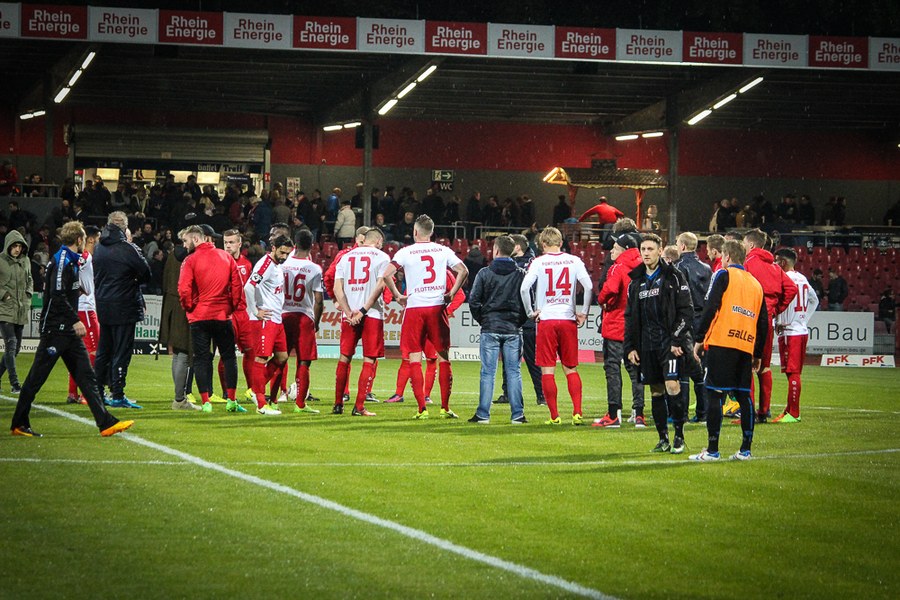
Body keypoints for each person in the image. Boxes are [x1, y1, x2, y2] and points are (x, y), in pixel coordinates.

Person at [10, 222, 134, 438]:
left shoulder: (70, 260)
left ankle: (105, 423)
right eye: (84, 238)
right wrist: (75, 320)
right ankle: (19, 423)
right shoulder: (62, 261)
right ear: (79, 239)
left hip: (67, 332)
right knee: (36, 378)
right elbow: (57, 296)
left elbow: (63, 291)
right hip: (55, 330)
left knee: (87, 377)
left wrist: (77, 295)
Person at [382, 214, 468, 419]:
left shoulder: (405, 251)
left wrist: (397, 295)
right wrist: (451, 293)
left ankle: (422, 409)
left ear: (415, 231)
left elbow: (386, 274)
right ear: (431, 232)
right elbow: (463, 271)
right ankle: (445, 408)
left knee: (414, 357)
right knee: (443, 356)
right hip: (437, 307)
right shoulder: (443, 250)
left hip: (415, 308)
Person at [690, 240, 768, 461]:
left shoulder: (723, 275)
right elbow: (763, 322)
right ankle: (745, 450)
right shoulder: (756, 284)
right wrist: (758, 354)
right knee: (744, 396)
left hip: (722, 342)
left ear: (727, 256)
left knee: (715, 394)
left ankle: (712, 450)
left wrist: (699, 338)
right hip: (745, 346)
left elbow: (711, 306)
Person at [624, 233, 693, 453]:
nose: (646, 253)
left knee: (672, 385)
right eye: (643, 249)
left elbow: (686, 311)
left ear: (660, 250)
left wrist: (676, 339)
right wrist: (630, 347)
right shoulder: (636, 282)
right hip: (647, 345)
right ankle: (663, 438)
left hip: (669, 344)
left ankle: (679, 436)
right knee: (655, 391)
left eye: (650, 249)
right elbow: (630, 317)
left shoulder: (674, 276)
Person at [520, 226, 593, 426]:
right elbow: (588, 286)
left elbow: (524, 288)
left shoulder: (538, 262)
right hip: (568, 319)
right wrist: (584, 312)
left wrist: (530, 312)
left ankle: (554, 416)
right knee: (571, 368)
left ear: (543, 244)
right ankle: (577, 412)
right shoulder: (574, 260)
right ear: (561, 243)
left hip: (547, 320)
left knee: (547, 370)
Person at [177, 225, 243, 414]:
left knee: (201, 358)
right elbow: (237, 286)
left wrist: (190, 308)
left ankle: (206, 402)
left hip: (199, 317)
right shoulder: (226, 257)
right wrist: (231, 307)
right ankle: (231, 400)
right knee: (229, 357)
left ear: (196, 239)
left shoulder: (190, 260)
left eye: (186, 241)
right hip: (222, 316)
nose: (184, 245)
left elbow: (183, 289)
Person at [93, 211, 152, 409]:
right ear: (125, 227)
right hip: (125, 305)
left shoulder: (99, 248)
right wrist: (133, 280)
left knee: (104, 350)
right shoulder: (127, 249)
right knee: (121, 351)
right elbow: (146, 273)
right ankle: (117, 394)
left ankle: (97, 392)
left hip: (103, 304)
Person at [468, 235, 528, 424]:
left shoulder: (484, 273)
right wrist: (518, 321)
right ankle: (517, 414)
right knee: (514, 372)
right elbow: (527, 303)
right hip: (512, 329)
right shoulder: (521, 274)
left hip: (490, 327)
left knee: (488, 372)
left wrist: (484, 320)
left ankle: (483, 414)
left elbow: (474, 301)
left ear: (495, 250)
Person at [333, 228, 391, 417]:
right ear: (379, 241)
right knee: (369, 359)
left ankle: (337, 404)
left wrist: (348, 311)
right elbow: (380, 286)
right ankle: (359, 406)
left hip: (349, 315)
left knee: (344, 358)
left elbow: (337, 288)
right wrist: (363, 310)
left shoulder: (345, 257)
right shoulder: (382, 257)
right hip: (371, 314)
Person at [742, 229, 798, 422]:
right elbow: (791, 289)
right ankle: (764, 411)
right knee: (764, 367)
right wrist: (776, 309)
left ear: (751, 245)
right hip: (768, 320)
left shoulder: (748, 263)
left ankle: (748, 413)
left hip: (750, 318)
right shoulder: (775, 266)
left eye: (744, 243)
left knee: (747, 366)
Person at [593, 232, 645, 428]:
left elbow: (611, 290)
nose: (611, 252)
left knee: (613, 368)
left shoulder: (618, 267)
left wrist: (602, 301)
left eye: (615, 248)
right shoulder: (643, 267)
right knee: (635, 370)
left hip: (616, 325)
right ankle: (639, 414)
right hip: (636, 327)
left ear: (623, 250)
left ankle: (614, 414)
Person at [244, 235, 295, 415]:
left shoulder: (276, 265)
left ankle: (254, 389)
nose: (284, 256)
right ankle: (261, 404)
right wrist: (255, 311)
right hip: (265, 319)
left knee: (282, 357)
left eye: (287, 253)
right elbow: (248, 287)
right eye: (282, 252)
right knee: (261, 358)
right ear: (273, 248)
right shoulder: (265, 265)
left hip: (276, 319)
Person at [280, 229, 324, 414]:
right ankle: (300, 404)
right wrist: (316, 322)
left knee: (280, 358)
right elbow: (319, 300)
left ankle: (272, 399)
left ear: (294, 244)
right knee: (304, 361)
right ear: (312, 245)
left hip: (283, 315)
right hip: (304, 316)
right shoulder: (314, 268)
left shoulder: (282, 264)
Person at [773, 248, 819, 423]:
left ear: (783, 262)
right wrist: (803, 319)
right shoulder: (803, 278)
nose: (775, 264)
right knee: (793, 372)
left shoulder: (784, 278)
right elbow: (815, 300)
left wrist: (781, 320)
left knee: (792, 373)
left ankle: (794, 413)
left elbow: (780, 302)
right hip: (800, 330)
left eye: (777, 260)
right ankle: (789, 410)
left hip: (790, 332)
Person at [674, 232, 712, 423]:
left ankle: (682, 414)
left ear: (682, 246)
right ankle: (703, 413)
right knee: (701, 369)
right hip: (704, 321)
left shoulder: (679, 267)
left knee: (683, 368)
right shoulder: (707, 268)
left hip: (686, 322)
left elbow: (678, 299)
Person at [159, 231, 199, 411]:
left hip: (170, 304)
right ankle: (179, 399)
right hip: (185, 306)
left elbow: (164, 280)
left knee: (177, 353)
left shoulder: (171, 256)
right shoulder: (191, 258)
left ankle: (179, 397)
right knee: (183, 353)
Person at [66, 225, 101, 405]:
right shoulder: (85, 257)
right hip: (86, 310)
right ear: (91, 240)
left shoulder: (78, 257)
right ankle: (86, 394)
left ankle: (72, 392)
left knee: (76, 352)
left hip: (76, 309)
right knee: (93, 352)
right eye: (99, 239)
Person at [221, 229, 256, 401]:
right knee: (227, 353)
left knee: (251, 351)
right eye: (225, 243)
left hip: (243, 313)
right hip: (227, 313)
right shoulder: (220, 262)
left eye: (231, 242)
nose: (228, 246)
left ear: (239, 244)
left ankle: (251, 390)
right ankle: (226, 392)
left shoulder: (247, 264)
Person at [0, 229, 33, 394]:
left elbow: (30, 280)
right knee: (11, 345)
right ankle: (15, 384)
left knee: (16, 349)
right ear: (8, 245)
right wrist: (4, 295)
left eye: (19, 246)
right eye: (14, 246)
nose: (17, 249)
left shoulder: (26, 261)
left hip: (20, 309)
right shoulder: (0, 260)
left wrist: (28, 295)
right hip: (5, 309)